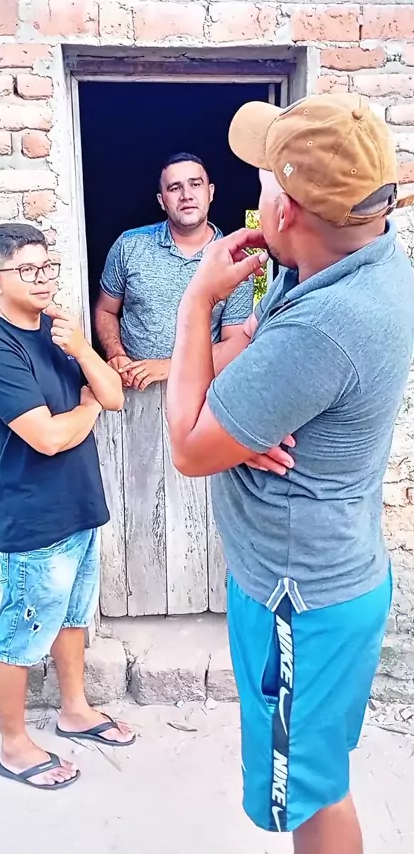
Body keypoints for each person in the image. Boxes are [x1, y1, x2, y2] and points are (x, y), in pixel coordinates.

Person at [166, 94, 414, 853]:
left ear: (290, 210)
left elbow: (188, 449)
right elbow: (250, 353)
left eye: (265, 177)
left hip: (296, 599)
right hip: (321, 573)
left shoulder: (325, 323)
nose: (256, 191)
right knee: (318, 774)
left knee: (310, 795)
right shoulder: (356, 259)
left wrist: (196, 300)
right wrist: (243, 414)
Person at [0, 223, 135, 791]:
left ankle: (75, 710)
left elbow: (113, 396)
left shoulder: (58, 331)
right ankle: (14, 746)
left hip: (81, 505)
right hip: (35, 518)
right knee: (19, 634)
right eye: (26, 270)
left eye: (47, 267)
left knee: (72, 618)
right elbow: (47, 438)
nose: (42, 279)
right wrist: (87, 409)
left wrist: (83, 348)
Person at [95, 152, 255, 388]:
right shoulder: (129, 245)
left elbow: (233, 345)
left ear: (210, 192)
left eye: (195, 184)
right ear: (162, 200)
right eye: (175, 187)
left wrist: (169, 366)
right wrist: (115, 353)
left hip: (197, 393)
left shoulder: (235, 261)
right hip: (131, 394)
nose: (186, 195)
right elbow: (105, 310)